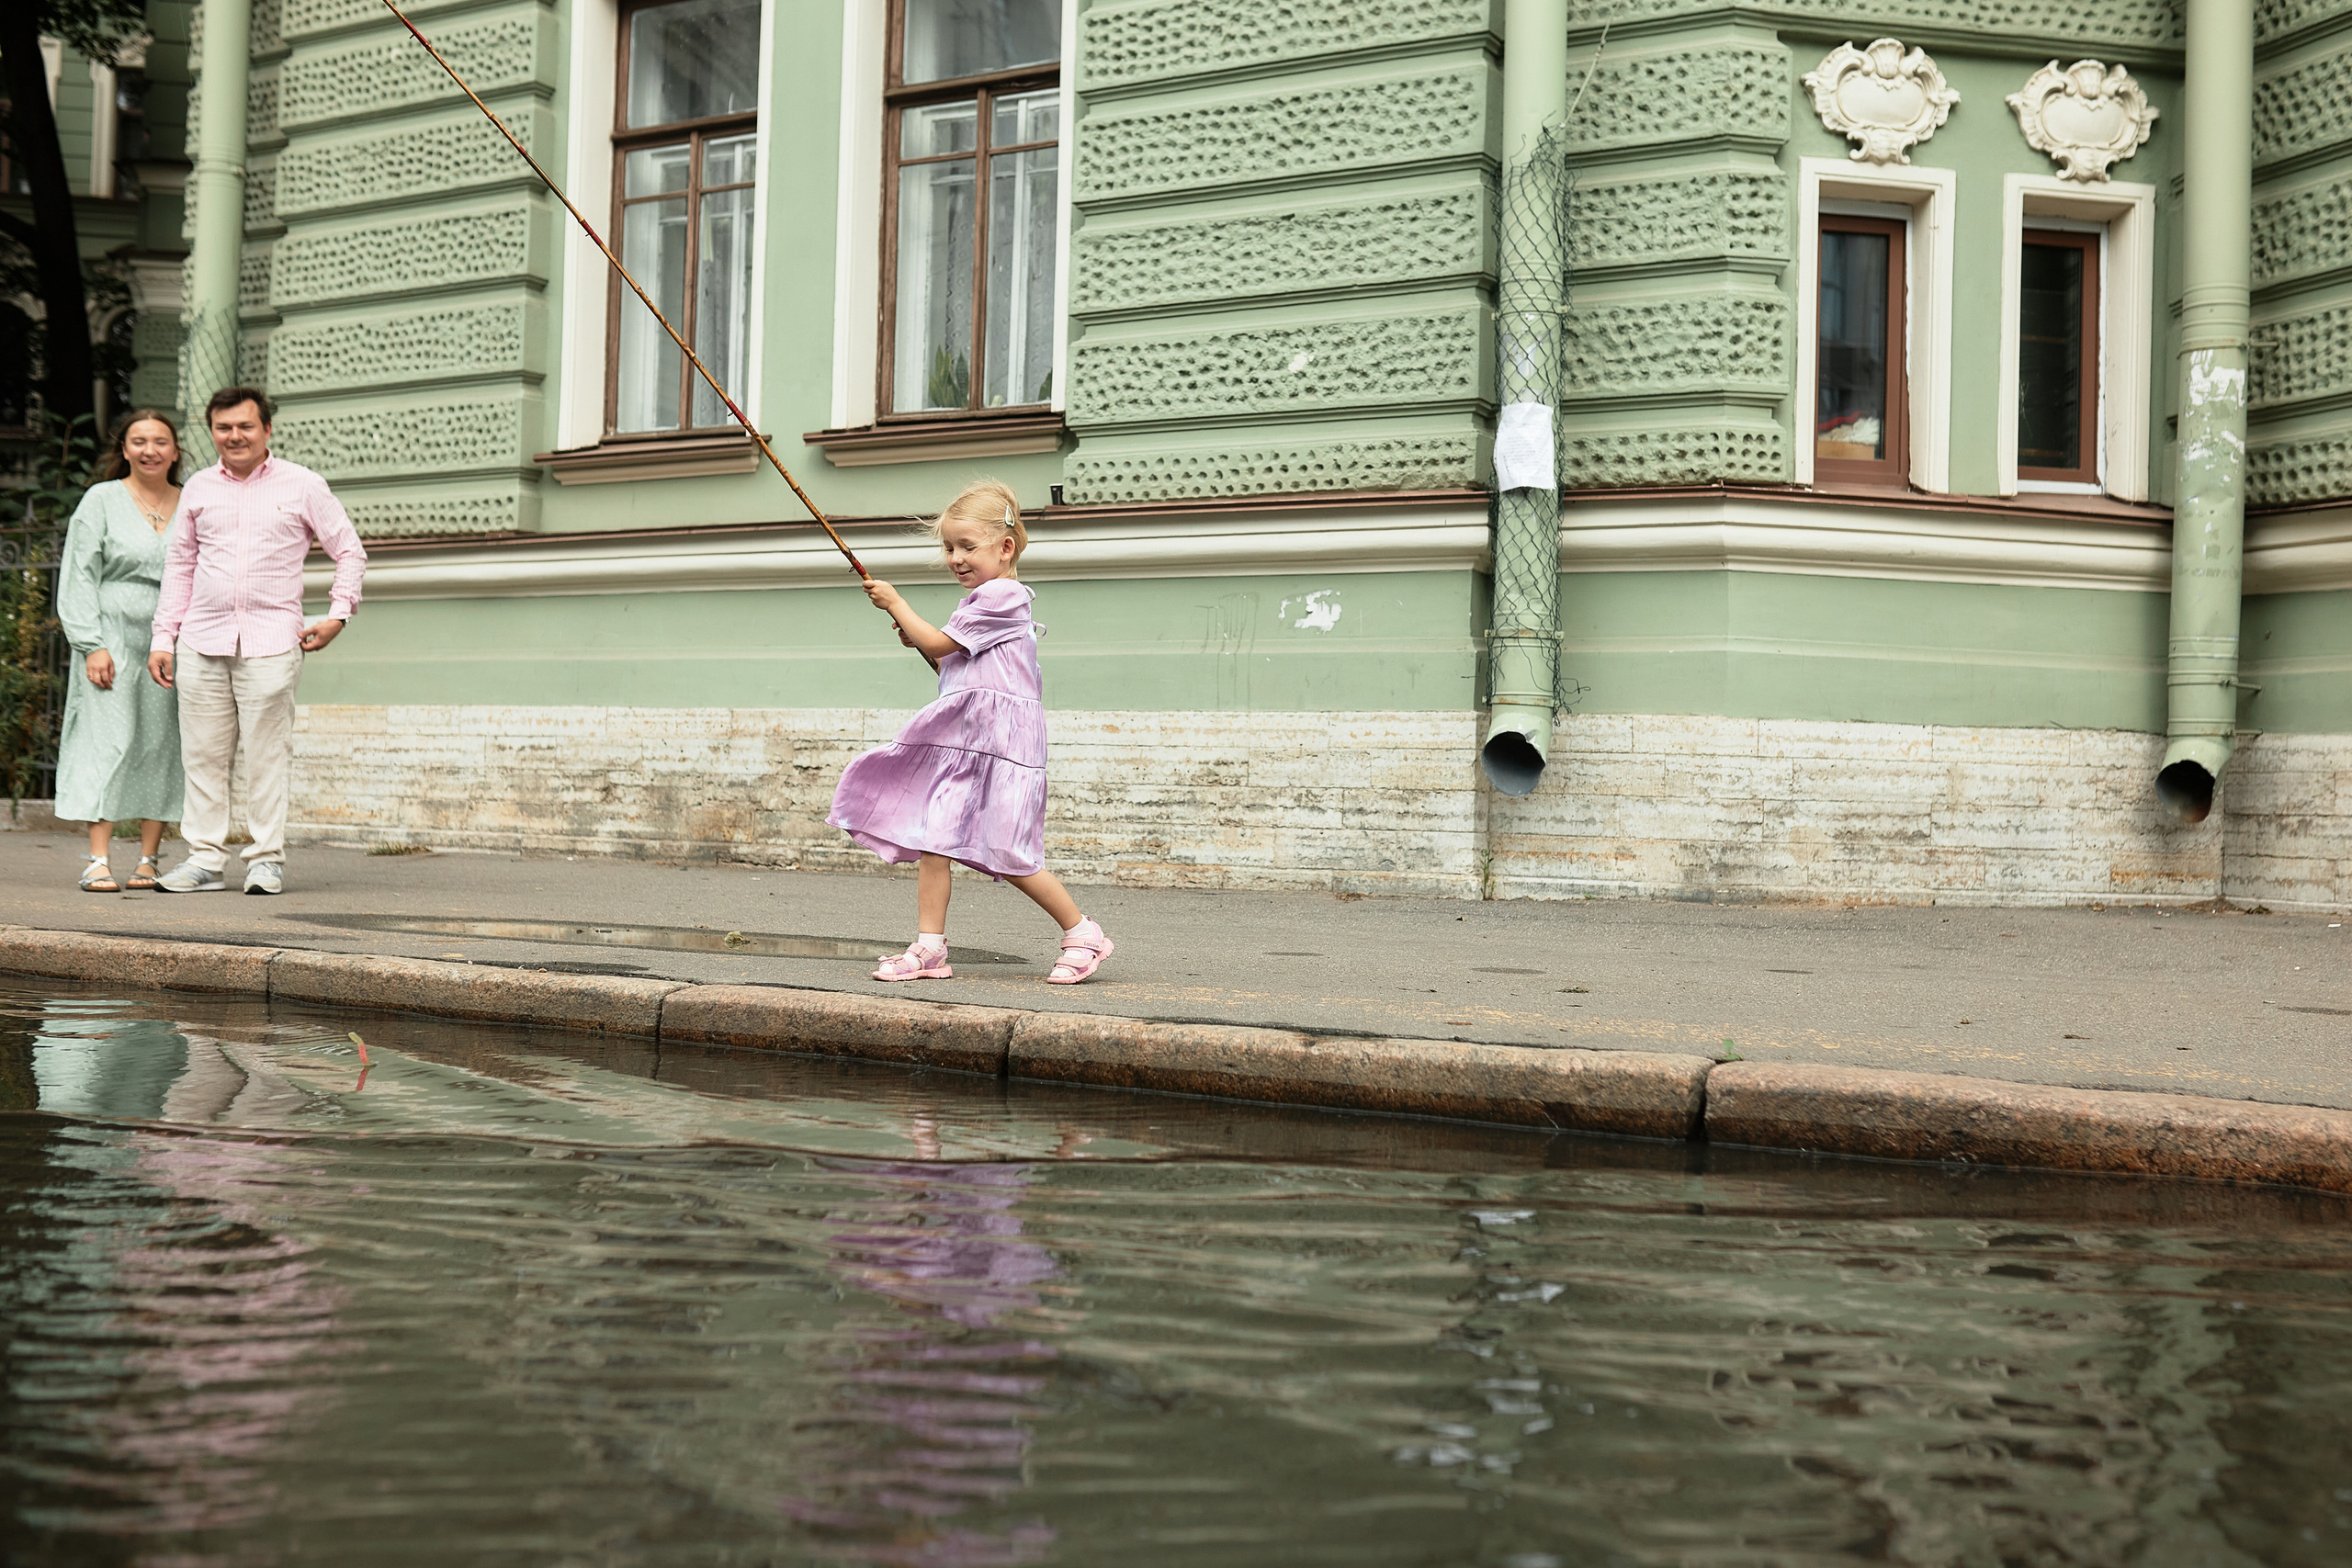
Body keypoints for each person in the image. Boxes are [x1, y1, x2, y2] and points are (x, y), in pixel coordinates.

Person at [827, 479, 1114, 984]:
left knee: (1012, 854)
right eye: (949, 547)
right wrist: (920, 639)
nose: (956, 558)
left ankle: (1083, 932)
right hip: (966, 746)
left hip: (1003, 750)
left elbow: (940, 644)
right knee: (934, 842)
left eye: (967, 547)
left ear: (1005, 549)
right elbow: (948, 662)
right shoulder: (979, 601)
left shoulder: (1004, 596)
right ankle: (929, 948)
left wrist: (897, 604)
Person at [145, 388, 367, 895]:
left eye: (245, 426)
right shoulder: (198, 488)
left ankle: (265, 860)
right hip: (201, 641)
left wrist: (338, 615)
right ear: (213, 433)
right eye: (224, 428)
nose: (235, 436)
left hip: (271, 641)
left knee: (267, 755)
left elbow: (348, 551)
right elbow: (180, 565)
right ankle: (203, 860)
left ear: (267, 429)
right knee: (201, 756)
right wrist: (164, 637)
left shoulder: (303, 485)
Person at [55, 410, 189, 891]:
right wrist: (91, 644)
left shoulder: (191, 501)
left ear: (175, 451)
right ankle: (97, 859)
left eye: (159, 441)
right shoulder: (101, 500)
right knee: (106, 739)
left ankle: (149, 860)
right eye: (139, 441)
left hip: (170, 639)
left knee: (160, 741)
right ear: (125, 449)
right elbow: (78, 575)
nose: (149, 450)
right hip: (110, 635)